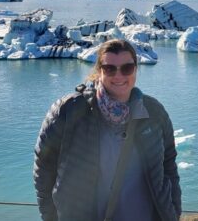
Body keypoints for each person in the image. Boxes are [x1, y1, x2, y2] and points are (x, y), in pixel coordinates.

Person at [34, 39, 181, 221]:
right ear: (99, 71)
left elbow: (169, 166)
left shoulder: (154, 113)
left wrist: (172, 212)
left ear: (135, 69)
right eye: (110, 68)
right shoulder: (68, 111)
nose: (118, 76)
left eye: (126, 68)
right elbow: (44, 169)